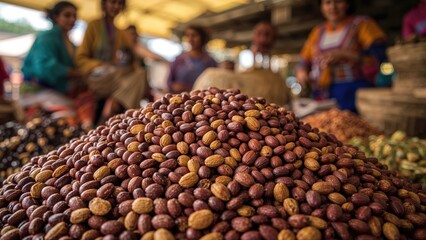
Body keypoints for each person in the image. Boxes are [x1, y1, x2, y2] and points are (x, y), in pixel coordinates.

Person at [296, 0, 387, 112]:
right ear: (321, 7)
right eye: (327, 3)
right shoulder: (317, 31)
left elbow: (380, 54)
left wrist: (344, 54)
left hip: (354, 93)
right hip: (321, 96)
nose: (333, 7)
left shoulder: (362, 24)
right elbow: (303, 61)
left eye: (338, 1)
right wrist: (302, 72)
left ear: (348, 3)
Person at [21, 1, 95, 128]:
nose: (72, 19)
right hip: (37, 91)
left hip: (57, 93)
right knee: (71, 117)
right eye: (67, 15)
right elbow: (43, 66)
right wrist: (73, 73)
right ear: (56, 17)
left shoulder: (70, 43)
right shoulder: (47, 37)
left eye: (74, 16)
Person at [76, 0, 150, 123]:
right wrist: (101, 65)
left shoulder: (120, 33)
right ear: (104, 4)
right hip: (97, 77)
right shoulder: (94, 25)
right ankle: (114, 110)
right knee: (125, 77)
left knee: (140, 73)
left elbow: (132, 53)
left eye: (120, 4)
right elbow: (81, 58)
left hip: (113, 76)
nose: (116, 6)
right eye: (113, 2)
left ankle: (116, 107)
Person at [167, 25, 217, 94]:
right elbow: (169, 83)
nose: (190, 39)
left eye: (194, 35)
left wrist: (188, 88)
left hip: (201, 100)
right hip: (178, 99)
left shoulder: (210, 62)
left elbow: (213, 85)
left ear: (202, 38)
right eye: (187, 36)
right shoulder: (179, 59)